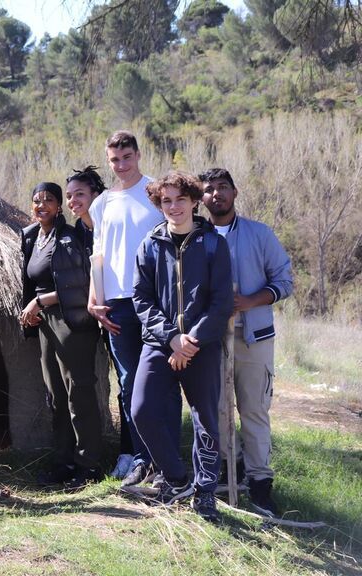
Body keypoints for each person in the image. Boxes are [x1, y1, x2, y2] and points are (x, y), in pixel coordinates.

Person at [131, 172, 233, 522]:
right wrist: (171, 337)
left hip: (201, 345)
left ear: (193, 201)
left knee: (206, 418)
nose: (173, 207)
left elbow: (221, 302)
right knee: (141, 409)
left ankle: (205, 494)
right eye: (166, 201)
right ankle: (175, 479)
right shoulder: (149, 243)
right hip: (159, 343)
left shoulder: (213, 244)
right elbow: (141, 299)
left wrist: (192, 340)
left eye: (179, 199)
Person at [85, 131, 179, 487]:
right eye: (114, 160)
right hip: (118, 305)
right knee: (129, 384)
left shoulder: (157, 194)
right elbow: (99, 253)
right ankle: (142, 458)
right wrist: (96, 299)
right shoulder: (103, 203)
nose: (121, 165)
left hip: (156, 301)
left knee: (164, 383)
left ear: (138, 155)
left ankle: (169, 465)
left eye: (127, 157)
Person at [200, 167, 293, 517]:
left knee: (254, 410)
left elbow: (284, 280)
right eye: (209, 189)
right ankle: (228, 474)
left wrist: (250, 301)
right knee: (217, 411)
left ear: (235, 192)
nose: (216, 194)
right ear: (202, 198)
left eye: (223, 187)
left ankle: (259, 485)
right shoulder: (197, 237)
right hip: (211, 340)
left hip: (254, 338)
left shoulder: (259, 234)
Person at [19, 183, 103, 488]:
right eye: (36, 201)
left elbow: (82, 284)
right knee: (56, 395)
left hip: (71, 319)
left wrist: (40, 302)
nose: (42, 206)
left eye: (49, 201)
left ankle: (89, 465)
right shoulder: (32, 237)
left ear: (59, 207)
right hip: (44, 322)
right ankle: (64, 461)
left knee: (78, 391)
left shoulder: (68, 238)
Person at [66, 166, 137, 477]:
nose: (73, 201)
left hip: (117, 313)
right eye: (69, 196)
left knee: (129, 383)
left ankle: (131, 451)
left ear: (97, 196)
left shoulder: (113, 226)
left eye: (80, 194)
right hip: (86, 320)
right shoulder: (74, 235)